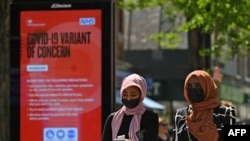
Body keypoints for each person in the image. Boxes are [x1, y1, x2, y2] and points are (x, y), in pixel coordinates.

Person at [173, 70, 237, 141]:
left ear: (207, 87)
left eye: (198, 85)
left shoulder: (225, 113)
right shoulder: (180, 114)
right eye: (189, 86)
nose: (193, 89)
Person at [101, 73, 159, 141]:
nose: (128, 98)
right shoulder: (112, 118)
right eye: (125, 95)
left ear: (141, 95)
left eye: (133, 95)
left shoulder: (150, 117)